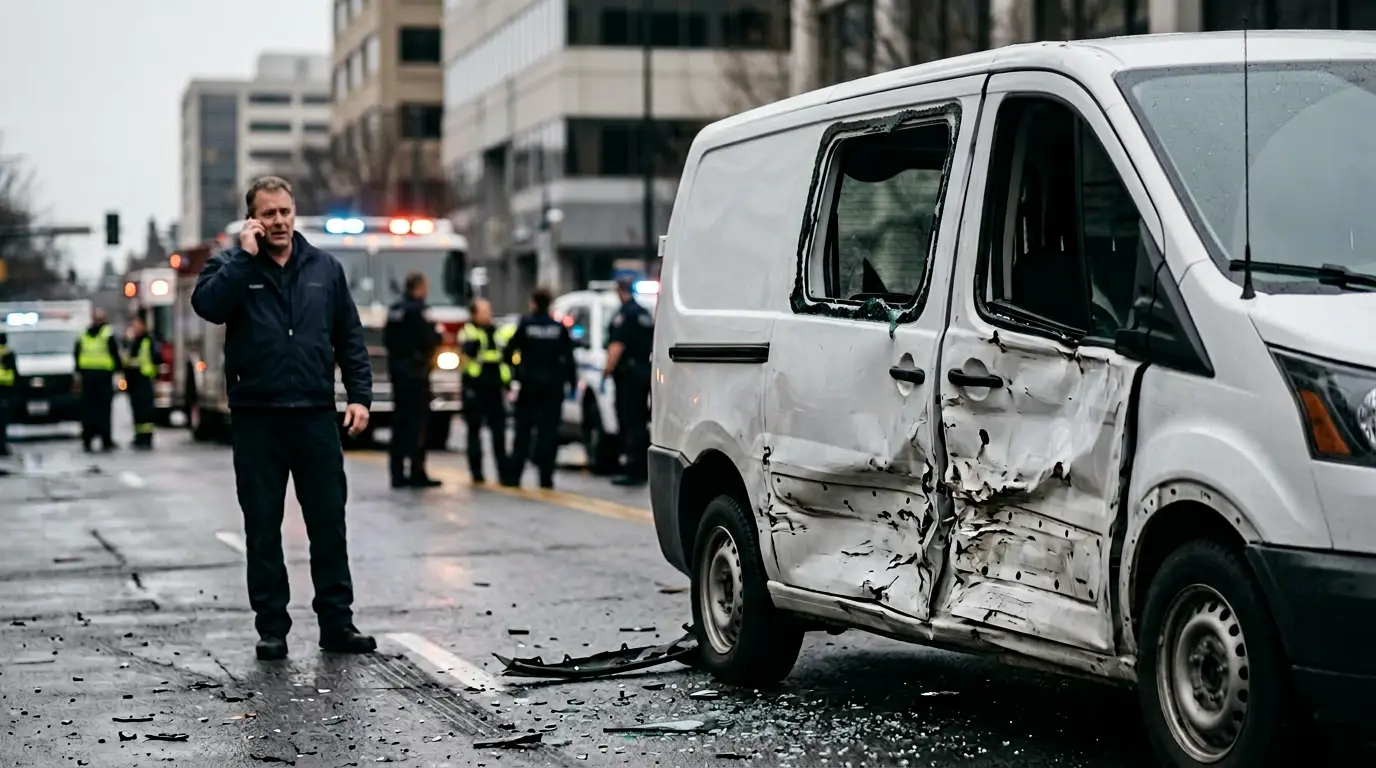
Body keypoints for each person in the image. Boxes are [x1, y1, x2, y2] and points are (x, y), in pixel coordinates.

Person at [190, 175, 376, 662]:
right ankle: (272, 628)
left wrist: (360, 396)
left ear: (295, 213)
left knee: (328, 524)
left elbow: (349, 337)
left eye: (285, 212)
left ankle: (337, 623)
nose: (278, 221)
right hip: (257, 417)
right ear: (252, 219)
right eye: (268, 213)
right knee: (263, 527)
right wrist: (244, 257)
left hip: (314, 415)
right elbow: (208, 307)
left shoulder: (325, 269)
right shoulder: (231, 265)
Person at [501, 286, 576, 489]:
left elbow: (508, 352)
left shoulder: (526, 325)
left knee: (523, 431)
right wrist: (571, 383)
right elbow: (569, 359)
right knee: (548, 432)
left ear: (533, 303)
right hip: (553, 387)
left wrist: (516, 373)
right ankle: (546, 477)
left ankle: (515, 475)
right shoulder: (558, 328)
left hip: (529, 386)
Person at [383, 272, 442, 489]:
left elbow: (388, 340)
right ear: (419, 287)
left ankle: (396, 472)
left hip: (398, 373)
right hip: (416, 374)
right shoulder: (418, 310)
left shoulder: (395, 310)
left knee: (399, 423)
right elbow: (431, 338)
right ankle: (417, 471)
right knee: (418, 424)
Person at [602, 276, 654, 486]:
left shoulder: (625, 315)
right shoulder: (644, 313)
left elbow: (617, 346)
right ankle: (642, 467)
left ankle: (632, 468)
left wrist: (607, 370)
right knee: (640, 421)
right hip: (643, 372)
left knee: (628, 421)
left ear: (619, 290)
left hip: (628, 376)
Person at [459, 297, 512, 483]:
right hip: (475, 386)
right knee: (474, 430)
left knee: (499, 431)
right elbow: (469, 353)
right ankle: (477, 473)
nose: (488, 315)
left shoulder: (497, 331)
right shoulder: (469, 332)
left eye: (489, 311)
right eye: (484, 312)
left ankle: (504, 472)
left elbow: (507, 353)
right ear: (474, 314)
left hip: (495, 385)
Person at [74, 308, 121, 453]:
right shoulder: (107, 334)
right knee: (104, 410)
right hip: (103, 377)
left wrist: (78, 373)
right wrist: (119, 370)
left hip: (87, 377)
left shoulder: (83, 334)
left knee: (88, 410)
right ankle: (105, 439)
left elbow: (76, 354)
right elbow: (115, 354)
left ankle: (88, 440)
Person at [122, 314, 159, 450]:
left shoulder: (147, 341)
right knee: (137, 411)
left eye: (137, 326)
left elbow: (155, 359)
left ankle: (146, 438)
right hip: (134, 381)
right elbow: (126, 360)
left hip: (144, 380)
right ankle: (139, 436)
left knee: (145, 412)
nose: (135, 328)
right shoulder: (132, 342)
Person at [0, 332, 15, 458]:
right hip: (4, 391)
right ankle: (2, 446)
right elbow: (14, 373)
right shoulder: (8, 353)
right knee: (2, 422)